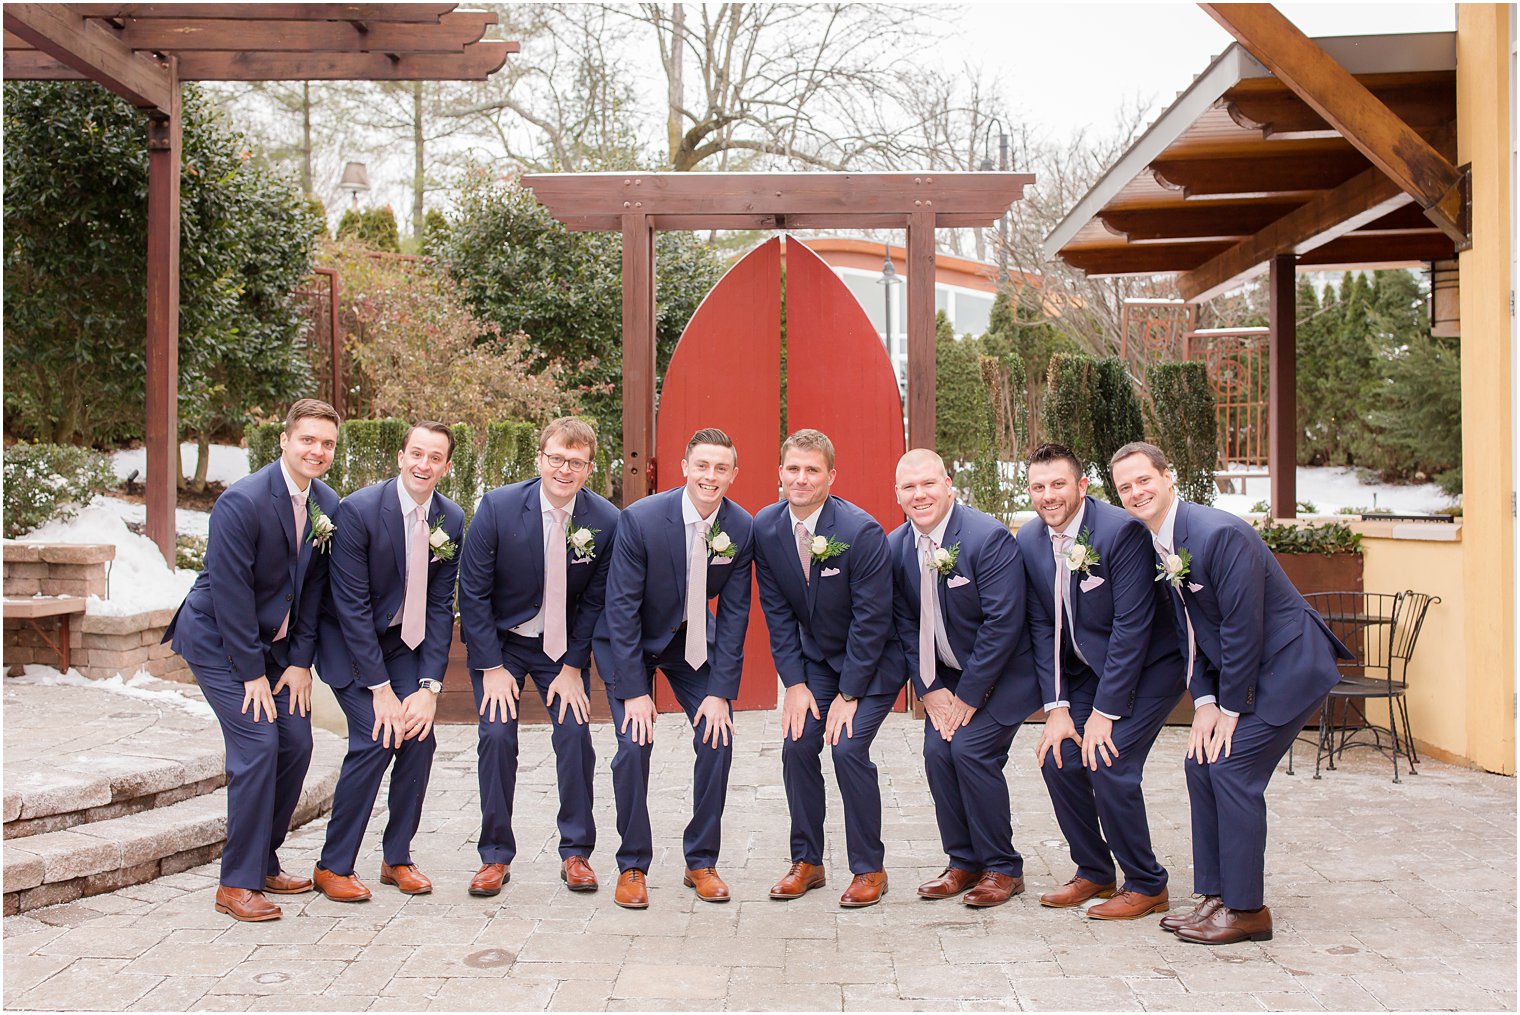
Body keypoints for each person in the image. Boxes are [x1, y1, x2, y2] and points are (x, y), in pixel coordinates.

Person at [1110, 441, 1350, 944]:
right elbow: (1189, 634)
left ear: (1168, 476)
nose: (1136, 492)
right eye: (1125, 486)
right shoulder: (1160, 542)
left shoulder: (1219, 534)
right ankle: (1216, 896)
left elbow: (1243, 628)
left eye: (1143, 480)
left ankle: (1247, 911)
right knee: (1200, 761)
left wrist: (1229, 709)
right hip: (1245, 673)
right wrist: (1202, 702)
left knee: (1232, 767)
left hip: (1290, 665)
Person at [164, 398, 341, 921]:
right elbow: (230, 594)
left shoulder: (325, 503)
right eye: (308, 439)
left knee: (298, 743)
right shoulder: (241, 502)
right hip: (220, 640)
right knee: (259, 742)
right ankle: (235, 883)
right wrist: (251, 677)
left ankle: (263, 860)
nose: (317, 450)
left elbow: (314, 592)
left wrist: (297, 663)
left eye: (327, 443)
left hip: (277, 650)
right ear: (284, 441)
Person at [1016, 443, 1185, 921]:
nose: (1048, 496)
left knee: (1106, 761)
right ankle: (1093, 870)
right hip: (1089, 669)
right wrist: (1058, 708)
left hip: (1151, 667)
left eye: (1058, 485)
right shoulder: (1029, 540)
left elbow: (1133, 627)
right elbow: (1040, 627)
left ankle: (1147, 883)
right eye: (1038, 487)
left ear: (1082, 486)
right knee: (1059, 757)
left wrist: (1104, 715)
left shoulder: (1120, 533)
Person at [457, 417, 619, 897]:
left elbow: (597, 602)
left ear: (589, 468)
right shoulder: (499, 506)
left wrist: (572, 667)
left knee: (575, 738)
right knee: (496, 736)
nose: (564, 470)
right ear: (540, 459)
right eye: (556, 459)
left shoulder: (606, 521)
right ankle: (494, 856)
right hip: (502, 643)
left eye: (576, 462)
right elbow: (474, 591)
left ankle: (576, 853)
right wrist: (490, 668)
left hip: (561, 647)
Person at [593, 428, 754, 909]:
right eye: (701, 466)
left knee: (717, 736)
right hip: (633, 642)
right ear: (685, 467)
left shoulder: (740, 527)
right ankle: (632, 864)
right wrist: (635, 691)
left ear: (733, 474)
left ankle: (701, 860)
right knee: (633, 743)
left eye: (720, 468)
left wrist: (721, 691)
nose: (710, 476)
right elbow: (619, 608)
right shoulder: (640, 520)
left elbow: (736, 613)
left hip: (692, 641)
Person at [309, 421, 464, 902]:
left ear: (447, 466)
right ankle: (332, 865)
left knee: (419, 735)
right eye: (416, 453)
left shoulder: (451, 519)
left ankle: (397, 857)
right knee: (379, 735)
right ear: (401, 456)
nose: (424, 464)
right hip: (348, 643)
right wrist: (381, 691)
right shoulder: (359, 511)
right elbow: (350, 607)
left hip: (403, 643)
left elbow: (441, 607)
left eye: (435, 457)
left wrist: (428, 688)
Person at [752, 429, 904, 908]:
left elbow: (872, 619)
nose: (801, 478)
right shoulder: (767, 527)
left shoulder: (860, 531)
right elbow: (777, 613)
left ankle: (869, 868)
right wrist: (794, 684)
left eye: (812, 470)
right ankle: (808, 861)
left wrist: (849, 695)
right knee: (797, 744)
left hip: (873, 663)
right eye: (793, 469)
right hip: (816, 662)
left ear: (830, 476)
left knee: (847, 748)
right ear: (780, 473)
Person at [888, 449, 1039, 908]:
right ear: (897, 494)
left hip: (1008, 674)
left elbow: (1003, 624)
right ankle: (963, 861)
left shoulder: (985, 538)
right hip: (949, 680)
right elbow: (902, 624)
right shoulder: (895, 546)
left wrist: (968, 698)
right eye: (908, 487)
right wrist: (930, 691)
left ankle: (1002, 868)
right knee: (938, 752)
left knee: (971, 750)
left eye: (928, 484)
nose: (919, 495)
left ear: (948, 484)